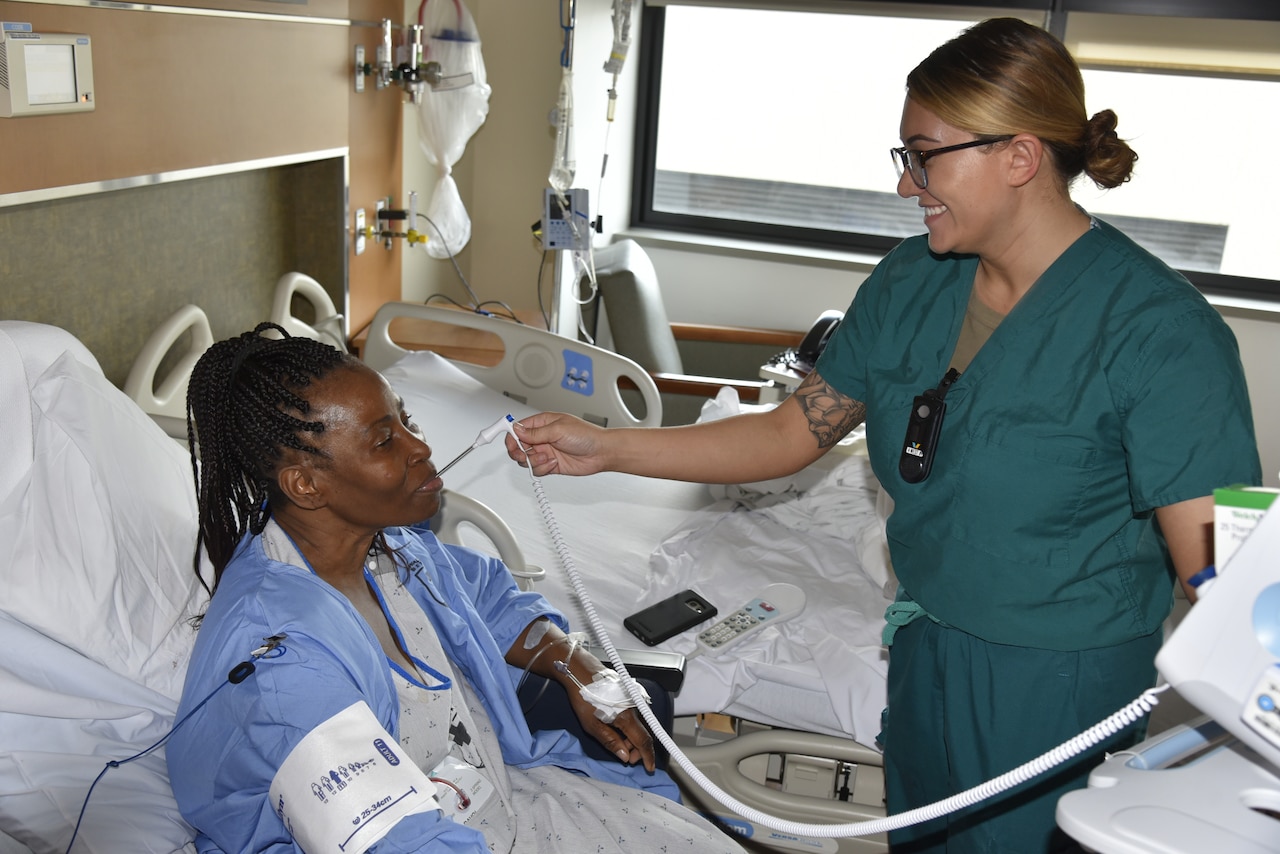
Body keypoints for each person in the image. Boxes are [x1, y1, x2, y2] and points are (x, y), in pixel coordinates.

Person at [505, 17, 1261, 854]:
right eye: (904, 157)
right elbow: (794, 432)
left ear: (1018, 156)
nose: (908, 184)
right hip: (924, 642)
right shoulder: (913, 281)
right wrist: (609, 446)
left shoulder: (1161, 334)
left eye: (924, 154)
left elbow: (1220, 573)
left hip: (1054, 681)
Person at [165, 324, 746, 854]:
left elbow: (489, 601)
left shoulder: (393, 550)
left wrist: (577, 669)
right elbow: (388, 842)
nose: (420, 447)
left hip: (501, 796)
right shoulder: (282, 666)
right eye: (383, 440)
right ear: (306, 484)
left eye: (407, 420)